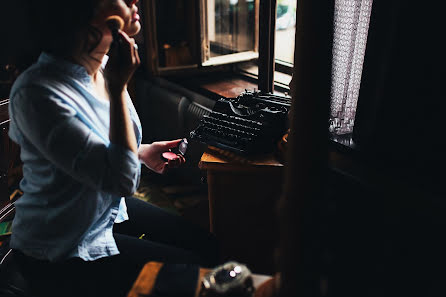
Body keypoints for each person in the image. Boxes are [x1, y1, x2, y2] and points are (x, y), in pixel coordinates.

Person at [7, 0, 218, 296]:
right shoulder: (37, 92)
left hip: (100, 211)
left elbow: (97, 151)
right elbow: (121, 180)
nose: (134, 1)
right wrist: (119, 89)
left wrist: (142, 152)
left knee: (208, 244)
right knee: (194, 271)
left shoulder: (101, 64)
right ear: (83, 12)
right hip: (58, 245)